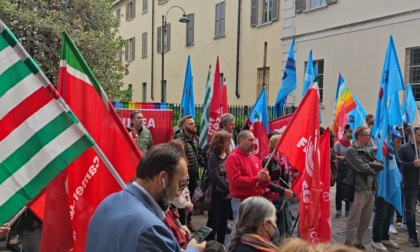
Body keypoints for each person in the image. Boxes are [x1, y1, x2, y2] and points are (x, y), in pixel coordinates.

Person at [86, 143, 205, 252]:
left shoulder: (108, 202)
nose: (179, 193)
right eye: (181, 184)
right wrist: (194, 250)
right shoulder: (151, 229)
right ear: (163, 179)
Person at [344, 126, 383, 249]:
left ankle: (358, 242)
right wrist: (372, 167)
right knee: (353, 220)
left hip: (370, 188)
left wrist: (369, 166)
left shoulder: (367, 150)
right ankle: (348, 245)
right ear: (360, 137)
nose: (370, 137)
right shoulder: (351, 150)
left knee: (365, 220)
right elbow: (361, 167)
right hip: (358, 189)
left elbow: (381, 164)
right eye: (367, 135)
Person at [226, 130, 271, 221]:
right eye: (250, 140)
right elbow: (236, 180)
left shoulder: (255, 158)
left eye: (254, 140)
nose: (253, 143)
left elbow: (262, 183)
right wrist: (256, 178)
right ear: (241, 141)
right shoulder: (233, 157)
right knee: (240, 231)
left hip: (256, 200)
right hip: (241, 201)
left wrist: (266, 179)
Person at [370, 132, 402, 251]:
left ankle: (385, 237)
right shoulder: (382, 151)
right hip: (383, 188)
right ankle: (376, 240)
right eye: (398, 141)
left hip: (392, 188)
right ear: (391, 141)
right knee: (380, 215)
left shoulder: (394, 153)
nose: (400, 144)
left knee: (389, 215)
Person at [262, 134, 293, 236]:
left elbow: (288, 175)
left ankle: (286, 243)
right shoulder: (268, 160)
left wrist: (288, 187)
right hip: (274, 195)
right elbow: (266, 181)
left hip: (284, 194)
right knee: (277, 223)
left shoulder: (284, 159)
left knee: (287, 222)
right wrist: (282, 190)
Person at [174, 115, 200, 229]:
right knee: (181, 200)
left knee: (190, 197)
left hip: (193, 174)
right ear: (184, 126)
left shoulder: (196, 139)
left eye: (193, 123)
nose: (193, 125)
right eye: (190, 124)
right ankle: (181, 224)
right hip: (183, 175)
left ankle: (189, 221)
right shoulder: (179, 141)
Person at [205, 131, 232, 244]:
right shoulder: (213, 155)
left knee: (223, 220)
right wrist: (227, 188)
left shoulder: (228, 154)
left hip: (227, 193)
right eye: (227, 141)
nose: (229, 143)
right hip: (216, 192)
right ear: (220, 142)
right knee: (214, 220)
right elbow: (214, 175)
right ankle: (209, 244)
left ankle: (221, 244)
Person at [397, 124, 420, 247]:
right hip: (410, 185)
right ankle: (412, 236)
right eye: (419, 135)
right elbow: (399, 165)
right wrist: (413, 164)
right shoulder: (404, 149)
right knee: (410, 211)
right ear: (411, 135)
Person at [333, 125, 353, 218]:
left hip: (348, 168)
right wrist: (344, 158)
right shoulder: (338, 144)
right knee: (339, 189)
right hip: (340, 167)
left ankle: (348, 210)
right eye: (347, 137)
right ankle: (338, 209)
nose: (349, 139)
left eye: (350, 137)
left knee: (348, 188)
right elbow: (335, 156)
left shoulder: (351, 144)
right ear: (344, 134)